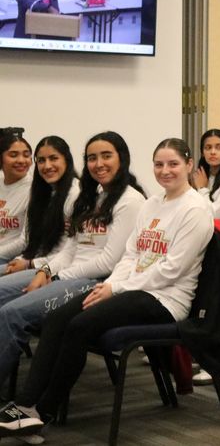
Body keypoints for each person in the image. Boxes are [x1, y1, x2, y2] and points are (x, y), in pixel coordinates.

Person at [0, 138, 213, 437]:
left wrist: (116, 288)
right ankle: (24, 405)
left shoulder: (195, 209)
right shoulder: (153, 203)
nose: (165, 171)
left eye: (173, 164)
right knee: (58, 318)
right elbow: (130, 255)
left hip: (164, 299)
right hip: (129, 287)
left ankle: (42, 410)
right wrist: (113, 284)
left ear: (189, 165)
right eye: (159, 164)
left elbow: (171, 269)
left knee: (79, 325)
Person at [0, 130, 147, 390]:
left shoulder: (131, 200)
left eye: (106, 156)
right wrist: (45, 270)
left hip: (96, 281)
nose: (98, 164)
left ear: (122, 158)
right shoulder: (91, 197)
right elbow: (70, 249)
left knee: (12, 313)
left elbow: (108, 262)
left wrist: (55, 275)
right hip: (70, 273)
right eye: (92, 158)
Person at [3, 136, 78, 278]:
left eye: (53, 158)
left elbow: (70, 252)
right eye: (41, 161)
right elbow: (27, 239)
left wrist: (30, 264)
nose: (47, 166)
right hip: (33, 261)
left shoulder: (75, 195)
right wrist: (22, 260)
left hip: (53, 269)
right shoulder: (40, 192)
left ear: (66, 160)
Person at [0, 131, 33, 266]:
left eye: (26, 155)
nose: (21, 160)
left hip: (11, 258)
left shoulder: (34, 189)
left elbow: (24, 241)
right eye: (13, 155)